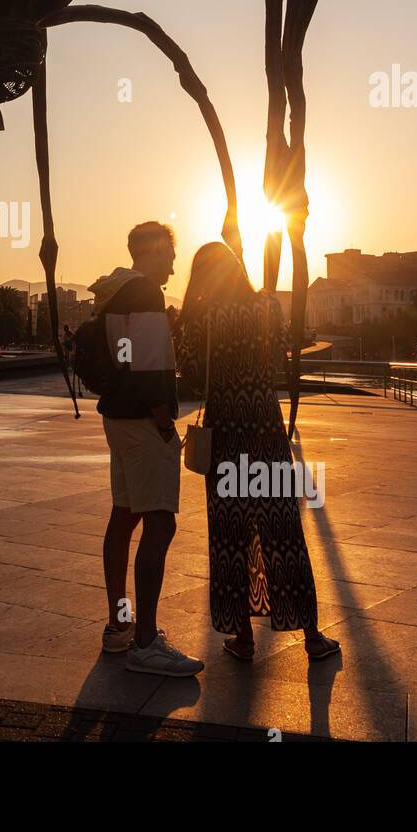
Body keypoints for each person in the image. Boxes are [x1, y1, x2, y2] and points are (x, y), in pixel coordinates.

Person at [175, 241, 339, 663]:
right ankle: (312, 636)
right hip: (267, 432)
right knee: (283, 533)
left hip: (226, 434)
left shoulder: (200, 319)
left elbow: (192, 375)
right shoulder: (268, 308)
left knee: (230, 537)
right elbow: (281, 354)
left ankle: (244, 637)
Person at [90, 222, 204, 677]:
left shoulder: (115, 290)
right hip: (142, 420)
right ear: (152, 252)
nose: (174, 264)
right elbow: (150, 367)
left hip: (116, 417)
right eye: (170, 255)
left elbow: (126, 355)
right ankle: (145, 642)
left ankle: (119, 625)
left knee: (124, 516)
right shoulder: (147, 294)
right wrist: (163, 422)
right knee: (161, 524)